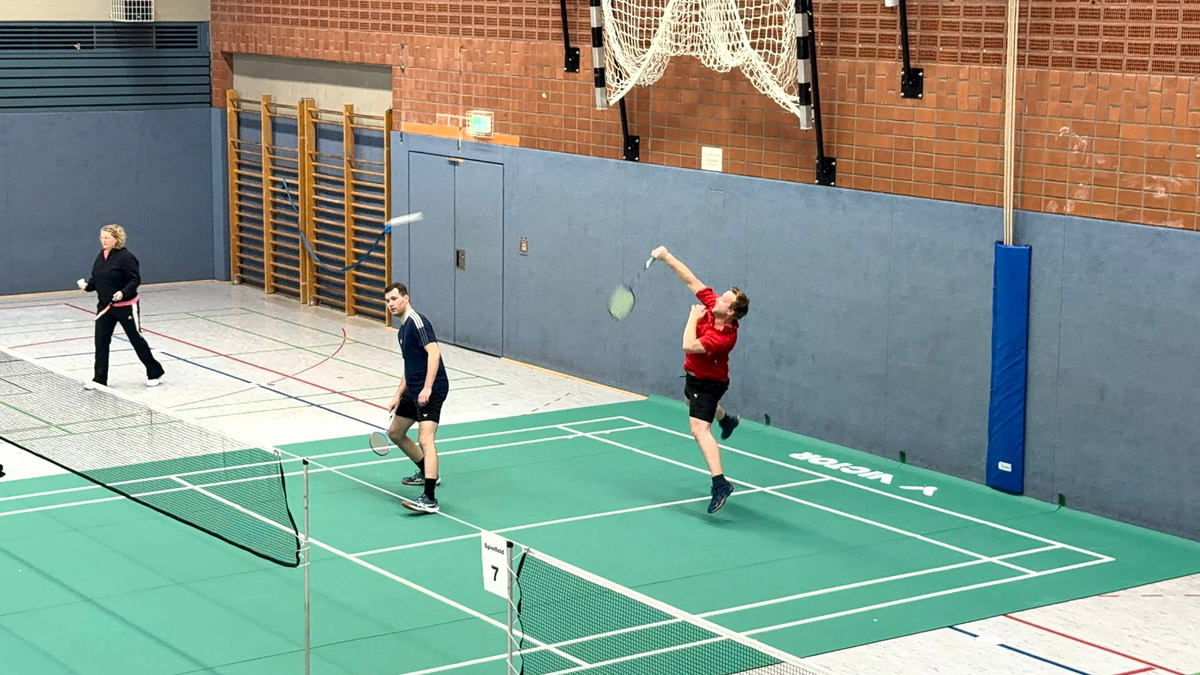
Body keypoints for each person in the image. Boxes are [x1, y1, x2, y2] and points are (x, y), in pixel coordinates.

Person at [650, 246, 750, 514]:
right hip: (694, 379)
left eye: (724, 300)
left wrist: (692, 317)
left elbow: (688, 345)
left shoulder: (723, 338)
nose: (717, 299)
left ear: (731, 312)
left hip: (710, 383)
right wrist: (666, 256)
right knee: (689, 401)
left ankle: (720, 483)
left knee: (699, 429)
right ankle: (726, 420)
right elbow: (691, 279)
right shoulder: (713, 305)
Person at [383, 282, 449, 514]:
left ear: (406, 298)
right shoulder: (402, 330)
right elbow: (409, 365)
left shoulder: (417, 322)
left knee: (425, 439)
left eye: (394, 299)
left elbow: (434, 352)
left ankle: (430, 499)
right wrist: (398, 394)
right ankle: (426, 472)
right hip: (413, 389)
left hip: (431, 389)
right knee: (395, 433)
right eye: (387, 301)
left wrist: (428, 387)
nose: (391, 304)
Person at [78, 224, 165, 390]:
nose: (103, 240)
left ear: (116, 239)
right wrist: (87, 287)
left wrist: (123, 293)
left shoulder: (126, 257)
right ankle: (99, 379)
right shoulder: (101, 256)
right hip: (105, 308)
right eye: (102, 237)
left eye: (107, 238)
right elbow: (97, 278)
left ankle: (154, 371)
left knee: (136, 339)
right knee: (101, 342)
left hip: (126, 306)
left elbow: (135, 280)